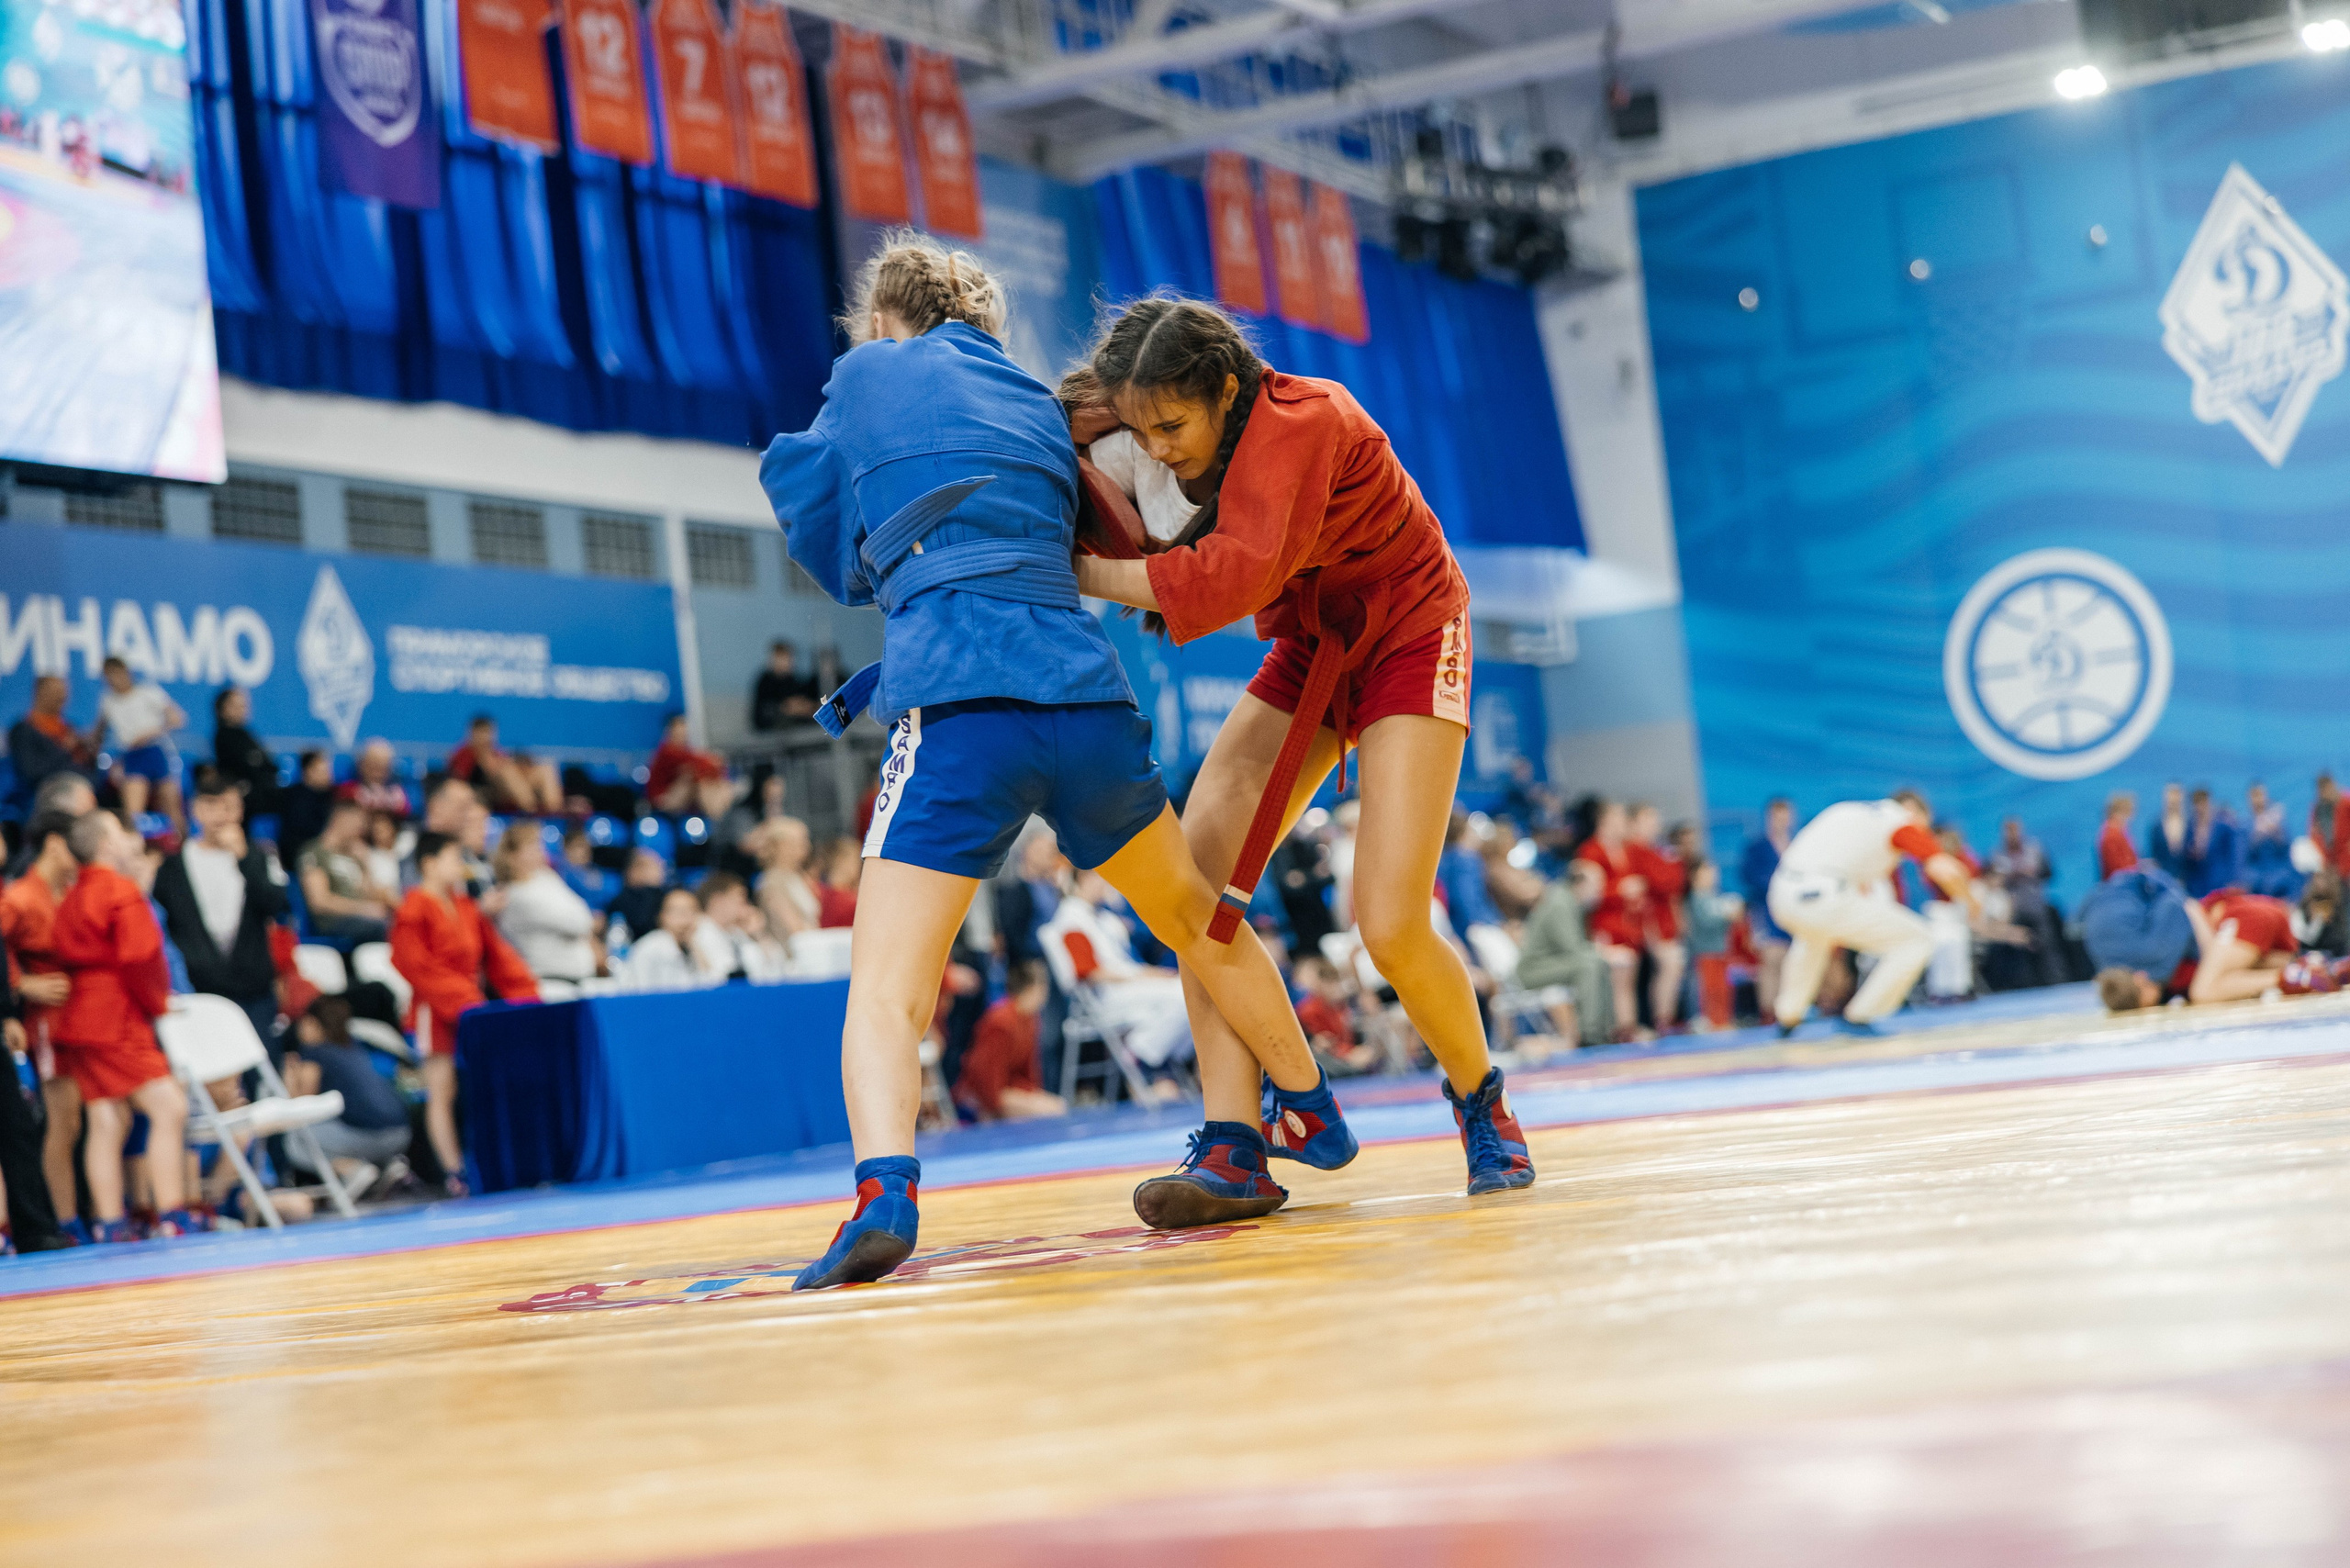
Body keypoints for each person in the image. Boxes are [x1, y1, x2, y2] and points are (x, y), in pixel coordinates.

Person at [762, 237, 1344, 1290]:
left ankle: (883, 1193)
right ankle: (1307, 1100)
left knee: (888, 988)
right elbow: (1109, 526)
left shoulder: (866, 375)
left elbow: (820, 526)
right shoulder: (1038, 402)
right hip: (1082, 698)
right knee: (1197, 917)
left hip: (960, 705)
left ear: (880, 323)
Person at [1069, 297, 1532, 1198]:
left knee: (1391, 925)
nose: (1156, 448)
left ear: (1226, 389)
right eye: (1141, 428)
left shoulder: (1306, 417)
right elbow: (1068, 423)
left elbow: (1230, 579)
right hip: (1314, 643)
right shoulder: (1153, 421)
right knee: (1189, 888)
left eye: (1171, 425)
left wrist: (1072, 567)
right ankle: (1236, 1142)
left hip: (1409, 632)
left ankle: (1482, 1100)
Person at [50, 812, 202, 1239]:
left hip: (79, 1019)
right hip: (116, 1018)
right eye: (120, 833)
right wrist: (157, 1003)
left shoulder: (71, 897)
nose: (129, 841)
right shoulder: (120, 891)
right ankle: (173, 1214)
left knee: (106, 1118)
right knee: (169, 1106)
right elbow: (141, 958)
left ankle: (110, 1222)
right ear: (105, 846)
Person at [390, 831, 541, 1193]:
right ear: (429, 863)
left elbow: (497, 957)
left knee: (478, 1086)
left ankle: (484, 1160)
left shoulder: (464, 906)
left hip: (471, 1009)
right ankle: (453, 1170)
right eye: (453, 858)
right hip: (437, 1008)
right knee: (442, 1089)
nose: (460, 866)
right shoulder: (413, 908)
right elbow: (411, 964)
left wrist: (528, 996)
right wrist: (459, 1000)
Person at [1767, 790, 1979, 1037]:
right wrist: (1972, 902)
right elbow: (1944, 870)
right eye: (1925, 824)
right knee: (1917, 939)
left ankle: (1788, 1016)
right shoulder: (1899, 822)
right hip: (1824, 895)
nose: (1925, 831)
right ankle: (1861, 1015)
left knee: (1813, 938)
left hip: (1782, 894)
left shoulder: (1848, 810)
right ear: (1914, 811)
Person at [152, 768, 290, 1054]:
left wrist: (245, 859)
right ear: (196, 809)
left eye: (231, 807)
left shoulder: (260, 857)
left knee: (260, 1072)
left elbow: (278, 906)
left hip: (255, 990)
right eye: (214, 806)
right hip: (202, 990)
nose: (223, 816)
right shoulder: (171, 868)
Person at [282, 994, 411, 1196]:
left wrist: (290, 1075)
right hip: (401, 1133)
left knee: (294, 1137)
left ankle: (352, 1170)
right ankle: (389, 1167)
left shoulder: (315, 1052)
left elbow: (300, 1106)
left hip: (369, 1137)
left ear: (312, 1023)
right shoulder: (355, 1048)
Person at [2098, 888, 2300, 1010]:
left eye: (2143, 1003)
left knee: (2203, 991)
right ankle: (2306, 967)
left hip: (2242, 917)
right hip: (2255, 928)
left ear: (2139, 979)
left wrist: (2211, 948)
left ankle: (2294, 976)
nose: (2150, 1006)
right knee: (2220, 980)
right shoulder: (2166, 979)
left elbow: (2187, 906)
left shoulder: (2157, 956)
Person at [1513, 857, 1615, 1048]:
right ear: (1581, 884)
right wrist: (1604, 952)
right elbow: (1572, 948)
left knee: (1596, 961)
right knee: (1589, 965)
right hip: (1533, 970)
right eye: (1596, 885)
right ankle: (1590, 1034)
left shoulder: (1565, 900)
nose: (1600, 891)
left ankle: (1603, 1030)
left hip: (1549, 964)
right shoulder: (1560, 902)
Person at [953, 960, 1069, 1121]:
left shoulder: (1030, 1020)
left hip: (1008, 1089)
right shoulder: (1001, 1020)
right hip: (987, 1094)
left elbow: (1028, 1068)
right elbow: (984, 1072)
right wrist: (993, 1107)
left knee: (1056, 1105)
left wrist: (1031, 1092)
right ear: (1032, 989)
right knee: (1050, 1110)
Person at [490, 824, 598, 985]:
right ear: (512, 855)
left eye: (538, 845)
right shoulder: (513, 894)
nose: (539, 851)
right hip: (547, 982)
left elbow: (583, 914)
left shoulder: (546, 879)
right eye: (531, 846)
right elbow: (579, 923)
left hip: (578, 979)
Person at [91, 656, 186, 833]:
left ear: (126, 672)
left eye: (116, 674)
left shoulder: (148, 692)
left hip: (155, 752)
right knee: (133, 816)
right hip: (132, 756)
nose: (113, 680)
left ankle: (181, 848)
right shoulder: (107, 701)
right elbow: (98, 732)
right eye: (108, 676)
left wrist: (150, 733)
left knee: (173, 809)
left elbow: (177, 718)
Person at [298, 801, 398, 942]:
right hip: (335, 921)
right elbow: (320, 901)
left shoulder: (354, 855)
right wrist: (365, 909)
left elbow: (367, 893)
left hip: (364, 918)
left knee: (405, 923)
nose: (361, 830)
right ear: (341, 819)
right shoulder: (314, 852)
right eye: (358, 823)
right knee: (384, 928)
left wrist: (366, 864)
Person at [6, 675, 95, 813]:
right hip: (48, 792)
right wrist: (65, 749)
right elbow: (31, 772)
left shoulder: (69, 727)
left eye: (64, 692)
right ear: (40, 693)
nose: (62, 697)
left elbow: (88, 764)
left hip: (88, 785)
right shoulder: (23, 730)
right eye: (56, 692)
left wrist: (89, 751)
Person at [1740, 798, 1795, 1022]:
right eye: (1777, 816)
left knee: (1791, 961)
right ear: (1769, 818)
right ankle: (1768, 1011)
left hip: (1793, 911)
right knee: (1771, 959)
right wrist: (1778, 884)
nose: (1782, 821)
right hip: (1767, 910)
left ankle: (1789, 1009)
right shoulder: (1757, 847)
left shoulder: (1797, 845)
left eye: (1785, 816)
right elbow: (1748, 876)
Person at [446, 714, 561, 815]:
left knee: (546, 768)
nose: (486, 737)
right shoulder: (464, 754)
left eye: (489, 732)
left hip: (511, 791)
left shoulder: (497, 753)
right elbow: (458, 783)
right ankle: (530, 812)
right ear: (473, 733)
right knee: (505, 771)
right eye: (482, 732)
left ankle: (555, 813)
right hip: (486, 793)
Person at [619, 887, 728, 990]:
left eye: (692, 911)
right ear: (662, 916)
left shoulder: (694, 943)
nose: (686, 918)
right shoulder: (654, 945)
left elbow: (713, 983)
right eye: (679, 912)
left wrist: (694, 947)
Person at [645, 712, 735, 821]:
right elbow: (700, 762)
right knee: (694, 779)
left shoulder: (685, 751)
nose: (683, 731)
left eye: (684, 726)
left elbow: (711, 766)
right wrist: (714, 761)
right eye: (679, 727)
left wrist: (718, 777)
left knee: (716, 784)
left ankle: (719, 819)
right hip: (662, 800)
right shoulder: (666, 752)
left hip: (684, 799)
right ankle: (717, 820)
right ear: (670, 730)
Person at [207, 687, 281, 816]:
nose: (243, 709)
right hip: (244, 794)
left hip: (262, 790)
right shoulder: (223, 736)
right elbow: (246, 767)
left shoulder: (246, 734)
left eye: (244, 705)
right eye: (236, 705)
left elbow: (269, 765)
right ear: (223, 708)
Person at [276, 750, 339, 876]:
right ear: (308, 771)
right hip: (300, 853)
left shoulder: (333, 796)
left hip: (326, 850)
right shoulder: (294, 797)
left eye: (329, 771)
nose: (329, 776)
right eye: (323, 771)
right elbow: (298, 831)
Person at [750, 641, 821, 733]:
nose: (784, 662)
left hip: (796, 731)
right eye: (781, 658)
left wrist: (805, 707)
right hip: (770, 732)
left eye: (787, 658)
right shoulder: (765, 682)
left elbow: (805, 703)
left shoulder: (795, 682)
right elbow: (761, 714)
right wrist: (785, 707)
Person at [2244, 782, 2299, 899]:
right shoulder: (2246, 826)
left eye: (2260, 795)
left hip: (2279, 872)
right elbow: (2245, 857)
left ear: (2266, 796)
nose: (2257, 800)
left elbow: (2286, 849)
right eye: (2254, 796)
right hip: (2257, 877)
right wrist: (2257, 835)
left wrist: (2276, 832)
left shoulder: (2278, 822)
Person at [339, 739, 414, 820]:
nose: (377, 773)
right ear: (361, 764)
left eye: (383, 767)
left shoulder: (397, 792)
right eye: (372, 765)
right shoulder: (348, 790)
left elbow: (405, 811)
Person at [2098, 792, 2139, 879]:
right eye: (2130, 811)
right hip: (2119, 886)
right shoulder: (2111, 834)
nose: (2131, 817)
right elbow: (2117, 869)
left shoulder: (2119, 831)